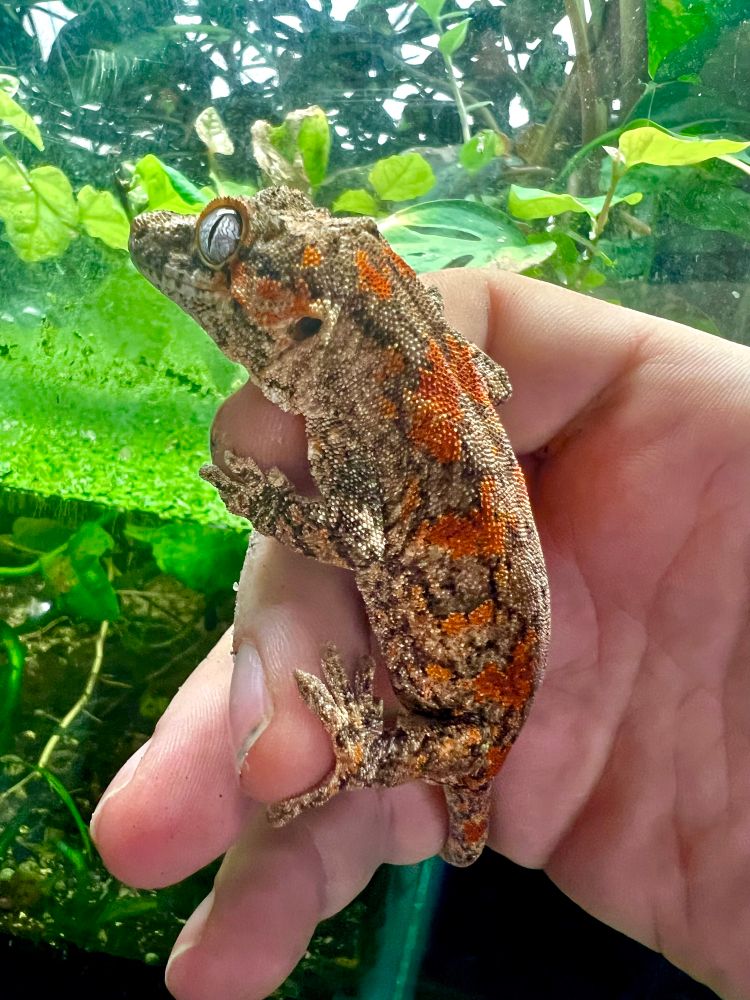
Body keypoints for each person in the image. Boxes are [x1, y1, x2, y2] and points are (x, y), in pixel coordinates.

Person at [90, 270, 750, 1000]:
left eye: (224, 241)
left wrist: (266, 505)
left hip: (464, 726)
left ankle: (366, 753)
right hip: (476, 689)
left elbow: (357, 536)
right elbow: (477, 403)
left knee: (419, 803)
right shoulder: (389, 405)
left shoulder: (384, 408)